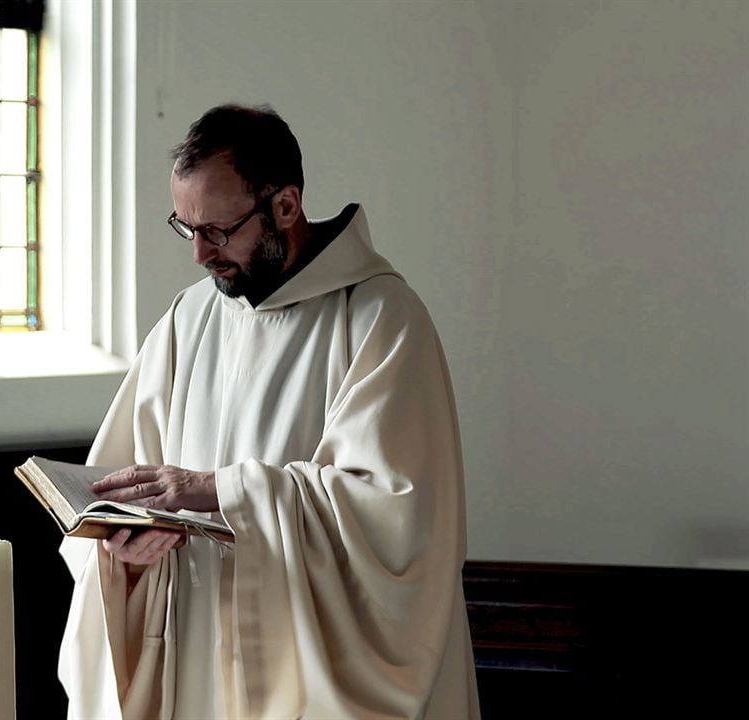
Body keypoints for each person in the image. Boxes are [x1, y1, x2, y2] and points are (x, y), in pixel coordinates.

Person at [56, 104, 480, 719]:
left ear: (285, 205)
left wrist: (216, 490)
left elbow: (395, 520)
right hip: (195, 651)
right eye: (186, 227)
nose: (200, 254)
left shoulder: (379, 319)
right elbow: (127, 485)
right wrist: (126, 550)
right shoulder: (188, 319)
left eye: (218, 232)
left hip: (299, 673)